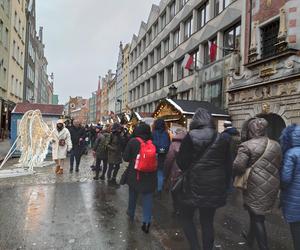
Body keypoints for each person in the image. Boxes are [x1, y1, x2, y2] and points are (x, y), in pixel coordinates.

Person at [176, 108, 231, 250]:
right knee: (207, 221)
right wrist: (225, 185)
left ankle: (194, 246)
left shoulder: (190, 136)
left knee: (186, 217)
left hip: (192, 184)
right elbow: (228, 165)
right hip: (214, 186)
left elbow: (182, 162)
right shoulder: (221, 137)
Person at [233, 118, 282, 250]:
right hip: (272, 183)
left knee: (257, 217)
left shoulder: (246, 145)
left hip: (254, 183)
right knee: (255, 212)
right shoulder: (276, 144)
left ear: (251, 130)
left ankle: (263, 246)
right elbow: (279, 164)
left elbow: (238, 166)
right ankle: (250, 238)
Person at [123, 122, 157, 233]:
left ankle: (131, 214)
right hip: (150, 175)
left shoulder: (133, 141)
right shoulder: (153, 142)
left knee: (133, 195)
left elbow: (126, 158)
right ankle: (146, 222)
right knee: (148, 198)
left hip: (135, 174)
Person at [279, 124, 300, 250]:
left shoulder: (291, 154)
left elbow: (286, 178)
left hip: (294, 196)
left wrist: (282, 187)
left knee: (296, 226)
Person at [164, 127, 186, 215]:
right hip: (188, 171)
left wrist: (166, 173)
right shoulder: (190, 142)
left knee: (175, 190)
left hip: (176, 171)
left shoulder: (174, 144)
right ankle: (183, 208)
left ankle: (176, 208)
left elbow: (169, 159)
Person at [152, 119, 171, 198]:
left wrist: (156, 150)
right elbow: (168, 145)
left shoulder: (153, 133)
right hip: (162, 156)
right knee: (160, 173)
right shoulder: (166, 134)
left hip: (153, 155)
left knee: (153, 172)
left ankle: (153, 189)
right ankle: (159, 190)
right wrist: (162, 151)